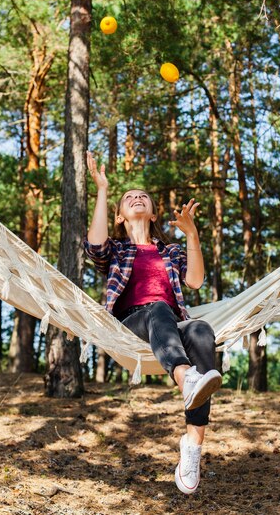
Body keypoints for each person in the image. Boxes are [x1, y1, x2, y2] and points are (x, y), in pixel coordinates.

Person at [84, 151, 222, 495]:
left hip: (171, 327)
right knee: (158, 308)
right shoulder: (116, 249)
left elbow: (195, 281)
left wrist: (191, 235)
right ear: (119, 215)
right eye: (128, 198)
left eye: (143, 196)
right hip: (132, 325)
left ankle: (192, 446)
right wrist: (102, 188)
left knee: (203, 330)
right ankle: (185, 377)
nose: (136, 198)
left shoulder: (170, 250)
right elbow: (94, 246)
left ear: (154, 212)